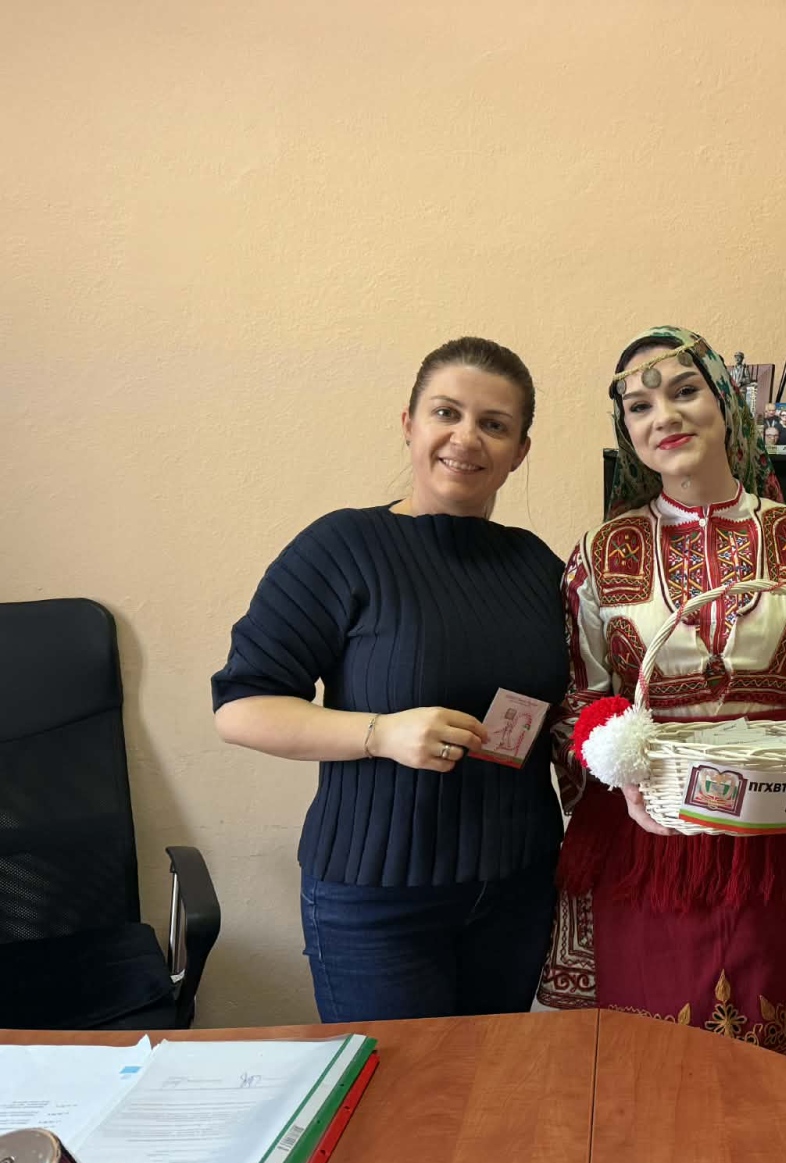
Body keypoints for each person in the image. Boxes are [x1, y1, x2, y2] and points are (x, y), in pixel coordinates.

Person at [212, 337, 567, 1022]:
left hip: (518, 890)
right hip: (377, 901)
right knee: (399, 1088)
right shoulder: (342, 548)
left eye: (494, 424)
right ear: (409, 423)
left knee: (491, 1080)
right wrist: (380, 734)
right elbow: (242, 707)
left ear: (520, 451)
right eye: (446, 413)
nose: (466, 438)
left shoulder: (539, 567)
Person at [536, 326, 786, 1064]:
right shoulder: (600, 553)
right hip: (645, 841)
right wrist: (618, 770)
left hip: (770, 837)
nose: (665, 416)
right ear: (626, 432)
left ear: (725, 405)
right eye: (640, 406)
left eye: (685, 391)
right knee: (646, 1055)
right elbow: (576, 704)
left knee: (765, 1049)